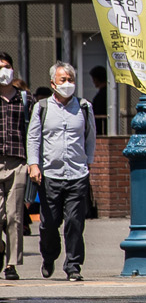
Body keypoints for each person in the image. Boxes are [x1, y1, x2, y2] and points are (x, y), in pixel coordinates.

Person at [27, 62, 93, 282]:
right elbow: (34, 137)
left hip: (77, 174)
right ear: (53, 83)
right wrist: (33, 164)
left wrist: (88, 163)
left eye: (71, 80)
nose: (67, 84)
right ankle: (49, 256)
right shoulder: (42, 107)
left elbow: (90, 138)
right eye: (63, 80)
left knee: (75, 222)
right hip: (50, 175)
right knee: (48, 224)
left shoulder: (84, 107)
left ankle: (73, 265)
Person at [0, 53, 28, 281]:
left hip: (18, 162)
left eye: (7, 66)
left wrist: (33, 163)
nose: (4, 71)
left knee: (14, 216)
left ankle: (11, 264)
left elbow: (34, 133)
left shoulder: (25, 100)